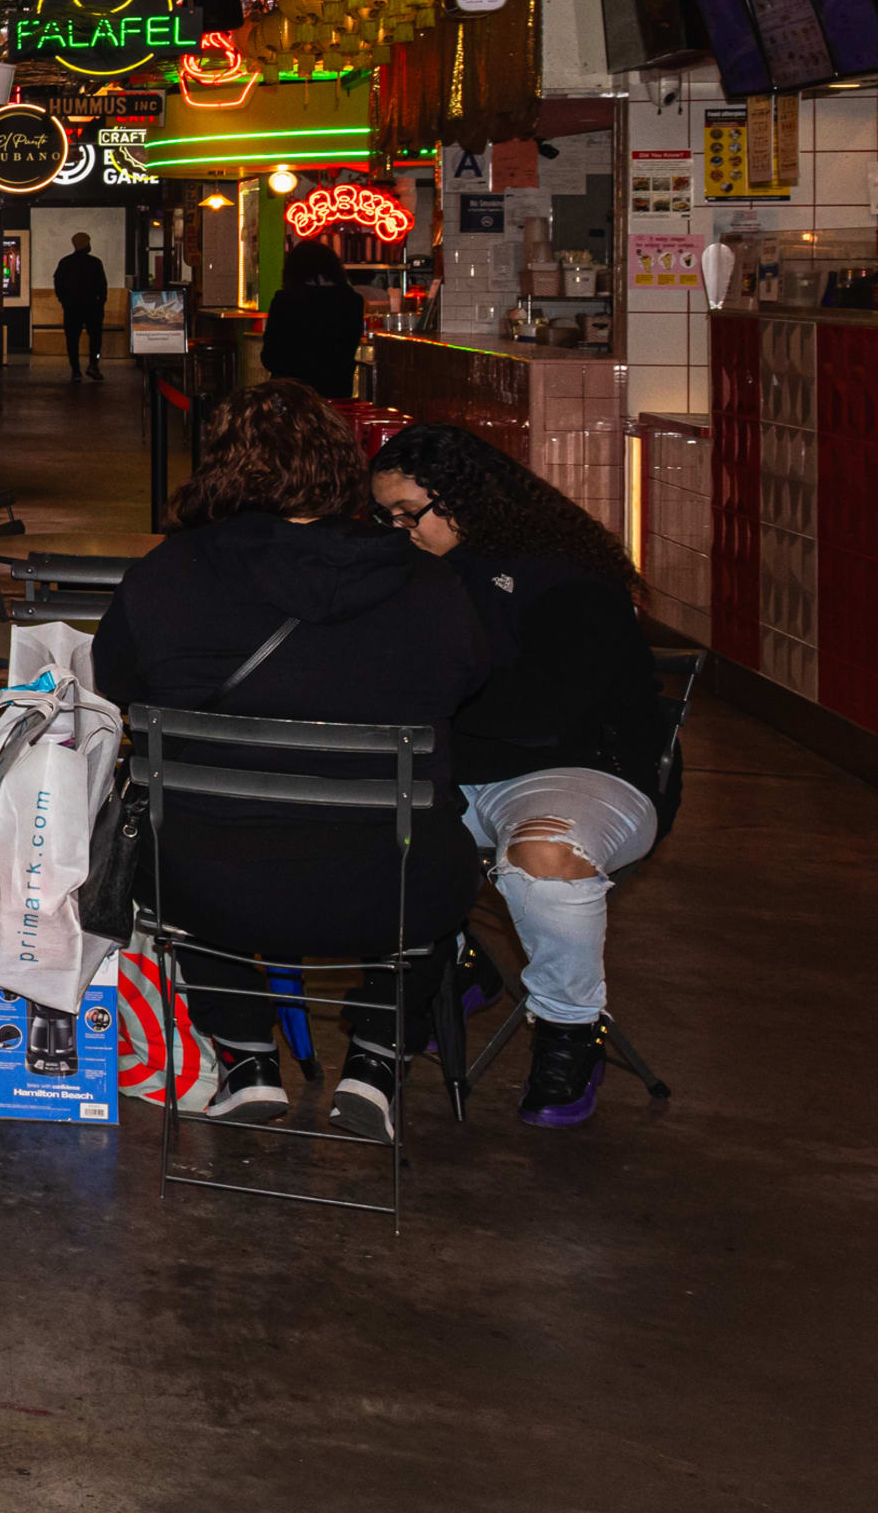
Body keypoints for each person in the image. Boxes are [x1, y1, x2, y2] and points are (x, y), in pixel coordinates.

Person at [93, 379, 489, 1137]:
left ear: (219, 466)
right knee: (439, 850)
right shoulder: (430, 583)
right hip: (392, 888)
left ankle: (246, 1059)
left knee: (182, 838)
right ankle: (375, 1063)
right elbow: (464, 682)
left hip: (210, 887)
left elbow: (119, 686)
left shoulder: (169, 575)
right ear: (345, 468)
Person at [369, 424, 674, 1127]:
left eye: (407, 514)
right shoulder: (423, 571)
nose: (398, 532)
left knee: (543, 859)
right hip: (465, 765)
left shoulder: (564, 579)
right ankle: (453, 958)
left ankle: (571, 1032)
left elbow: (544, 713)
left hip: (582, 767)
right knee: (340, 823)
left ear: (461, 500)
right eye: (385, 519)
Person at [259, 237, 368, 402]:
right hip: (335, 393)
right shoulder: (353, 301)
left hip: (290, 394)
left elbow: (270, 357)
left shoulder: (285, 300)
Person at [53, 232, 109, 385]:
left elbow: (58, 285)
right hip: (93, 308)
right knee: (95, 339)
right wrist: (101, 302)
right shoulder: (95, 263)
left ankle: (75, 370)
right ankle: (94, 364)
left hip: (72, 308)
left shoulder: (65, 263)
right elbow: (102, 286)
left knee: (72, 340)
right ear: (86, 244)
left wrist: (64, 301)